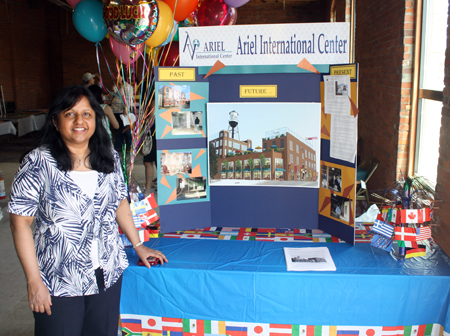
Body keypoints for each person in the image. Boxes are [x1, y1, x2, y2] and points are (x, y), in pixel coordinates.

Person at [8, 85, 167, 336]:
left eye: (87, 114)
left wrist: (138, 245)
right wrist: (34, 281)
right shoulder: (37, 163)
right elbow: (20, 224)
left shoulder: (109, 158)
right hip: (59, 281)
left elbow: (120, 203)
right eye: (70, 114)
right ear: (55, 120)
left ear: (96, 120)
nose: (79, 121)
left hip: (107, 274)